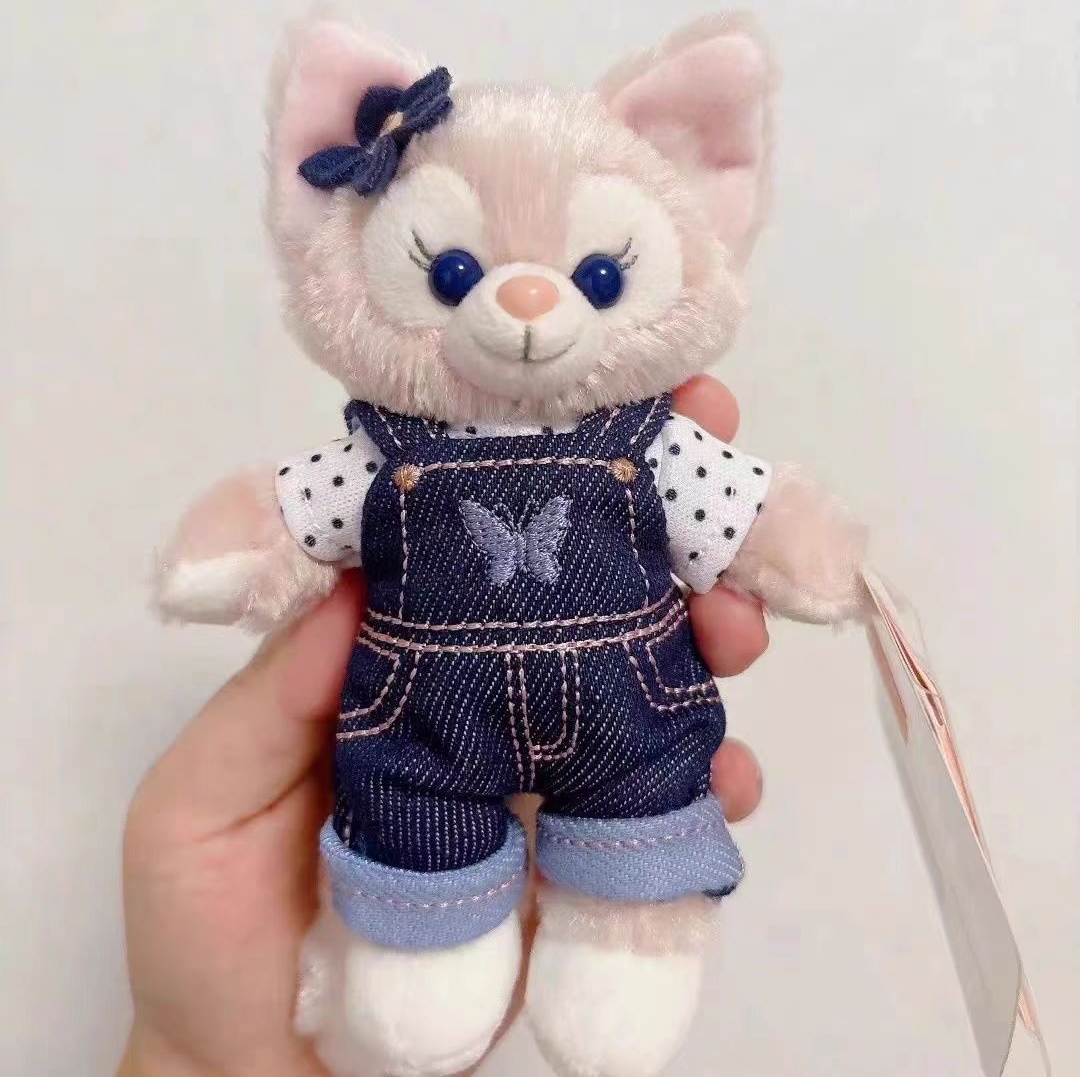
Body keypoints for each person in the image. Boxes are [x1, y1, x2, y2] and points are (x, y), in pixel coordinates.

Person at [119, 379, 769, 1077]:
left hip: (623, 707)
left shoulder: (654, 444)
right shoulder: (383, 454)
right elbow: (289, 516)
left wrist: (805, 551)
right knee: (414, 823)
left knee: (643, 816)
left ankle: (622, 950)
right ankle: (427, 955)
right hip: (432, 723)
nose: (526, 321)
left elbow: (760, 519)